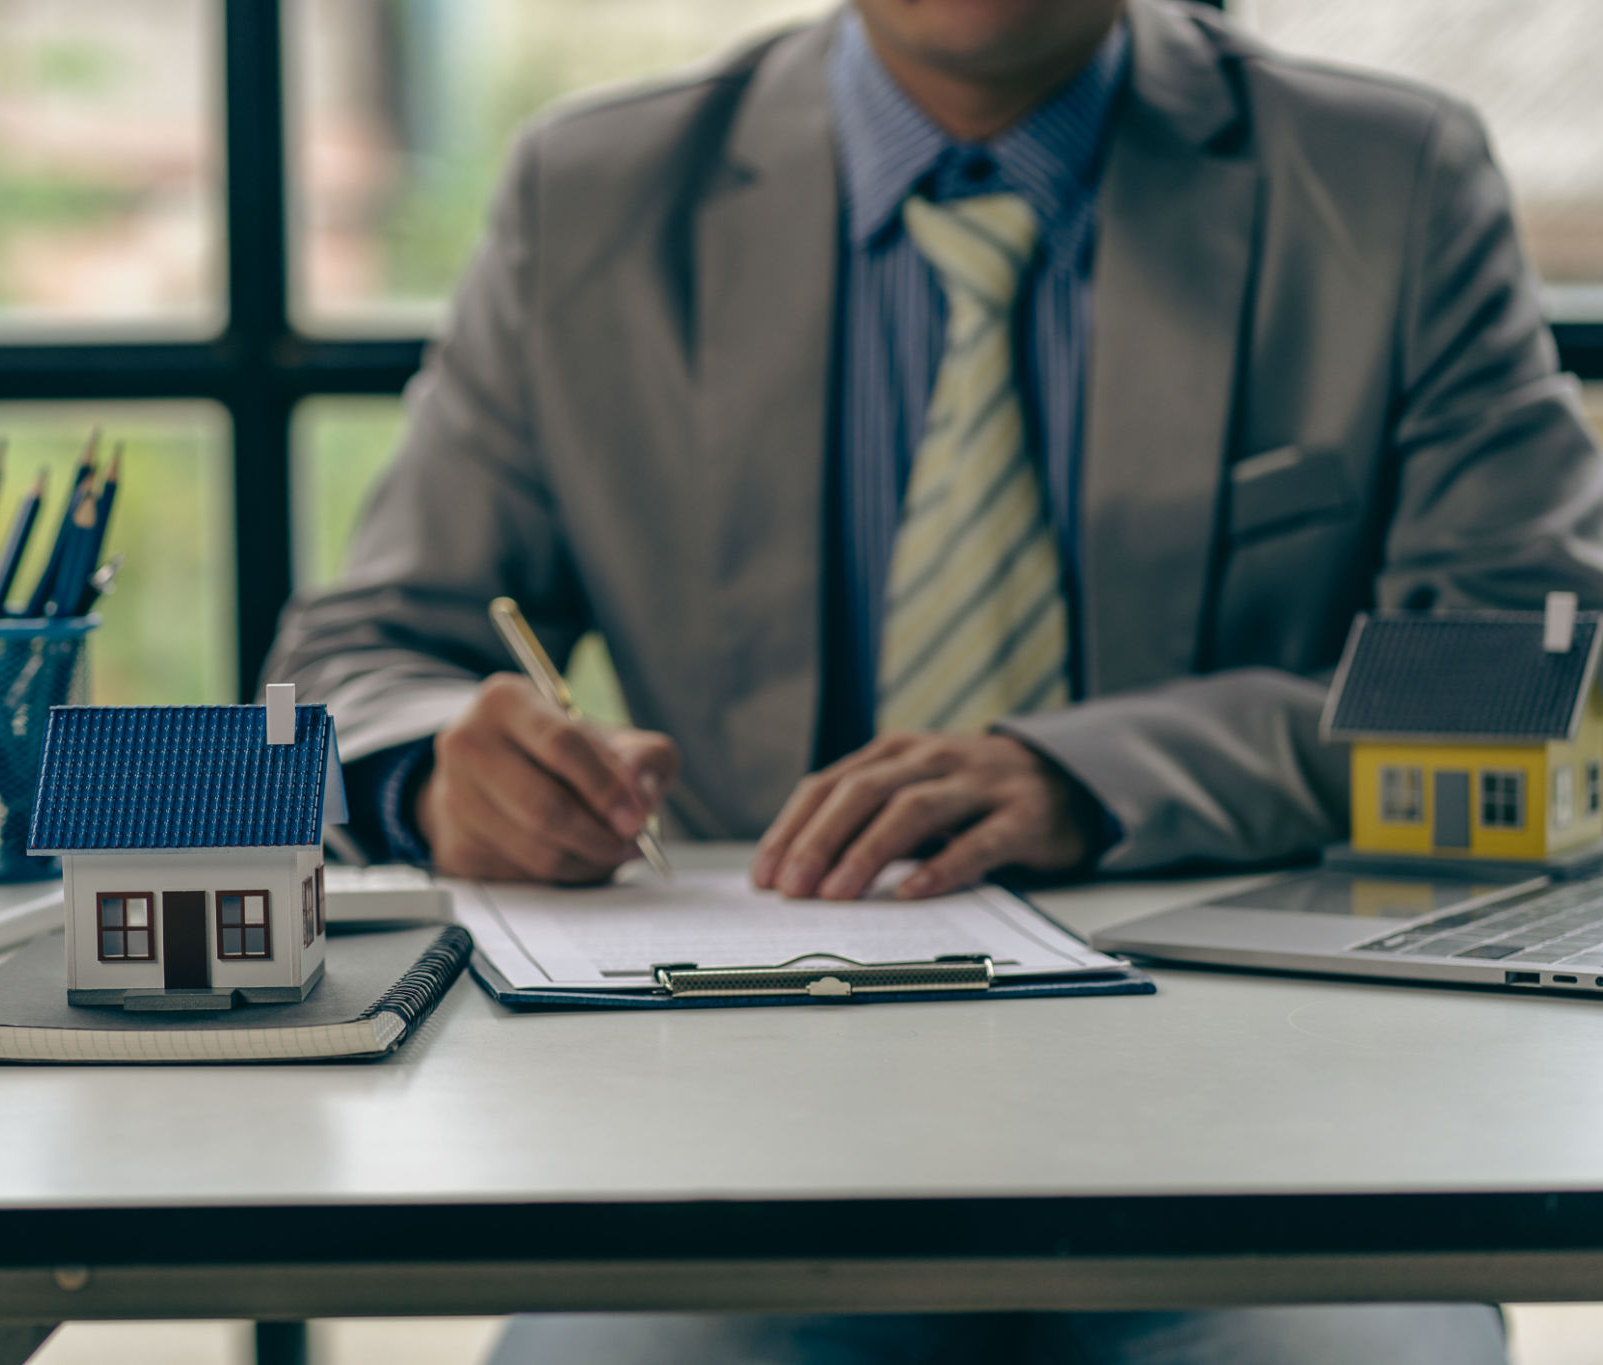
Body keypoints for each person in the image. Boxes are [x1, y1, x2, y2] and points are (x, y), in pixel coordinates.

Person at [266, 0, 1602, 1357]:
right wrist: (442, 765)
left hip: (1284, 1156)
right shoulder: (594, 196)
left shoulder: (1388, 180)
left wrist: (1094, 773)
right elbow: (357, 656)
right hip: (723, 1157)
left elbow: (1522, 658)